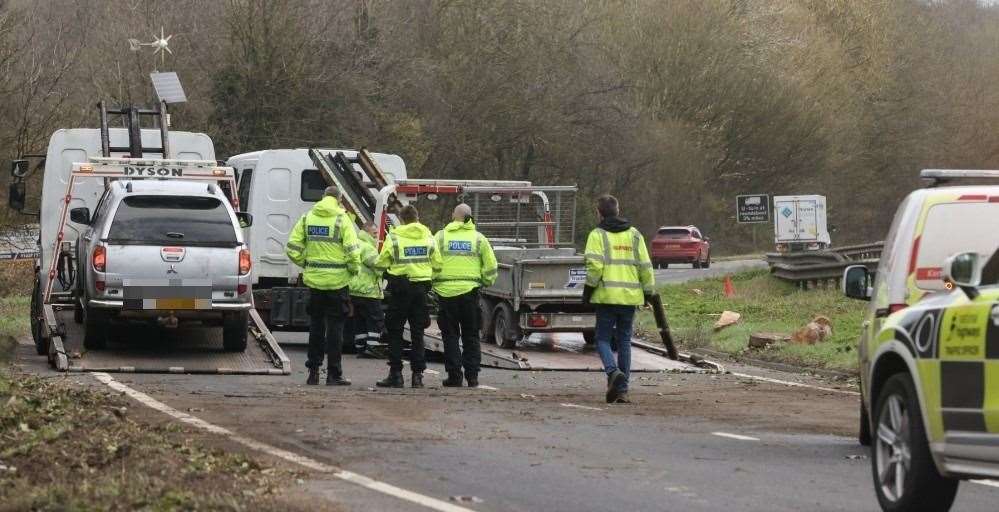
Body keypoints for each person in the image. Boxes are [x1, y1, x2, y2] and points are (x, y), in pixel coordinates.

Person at [582, 194, 655, 404]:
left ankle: (613, 372)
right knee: (624, 341)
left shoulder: (597, 235)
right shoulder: (635, 235)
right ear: (618, 210)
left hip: (606, 297)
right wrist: (648, 293)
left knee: (602, 339)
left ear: (599, 213)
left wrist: (587, 292)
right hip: (630, 298)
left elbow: (595, 267)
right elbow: (646, 267)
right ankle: (622, 390)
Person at [286, 185, 360, 386]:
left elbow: (291, 247)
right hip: (338, 283)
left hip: (315, 282)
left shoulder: (308, 217)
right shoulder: (342, 219)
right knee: (335, 329)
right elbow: (353, 251)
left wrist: (306, 263)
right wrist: (353, 270)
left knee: (316, 327)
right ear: (339, 199)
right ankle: (334, 374)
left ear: (323, 197)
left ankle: (313, 372)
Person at [374, 205, 441, 388]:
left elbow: (380, 264)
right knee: (418, 333)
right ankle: (417, 377)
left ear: (402, 220)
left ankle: (396, 374)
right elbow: (438, 264)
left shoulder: (394, 237)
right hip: (420, 291)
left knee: (395, 332)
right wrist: (427, 279)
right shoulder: (428, 236)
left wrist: (389, 272)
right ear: (417, 218)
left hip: (400, 290)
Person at [433, 203, 498, 387]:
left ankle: (454, 376)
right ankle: (472, 376)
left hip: (445, 294)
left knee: (450, 336)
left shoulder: (441, 236)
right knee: (471, 335)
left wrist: (434, 280)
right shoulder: (479, 238)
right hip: (470, 294)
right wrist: (485, 281)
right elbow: (491, 266)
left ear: (455, 216)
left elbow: (432, 261)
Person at [348, 221, 385, 357]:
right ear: (367, 232)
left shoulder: (356, 243)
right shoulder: (368, 247)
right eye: (375, 233)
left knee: (360, 320)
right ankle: (372, 347)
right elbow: (378, 265)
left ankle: (361, 347)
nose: (376, 236)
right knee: (375, 319)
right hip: (368, 290)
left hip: (355, 290)